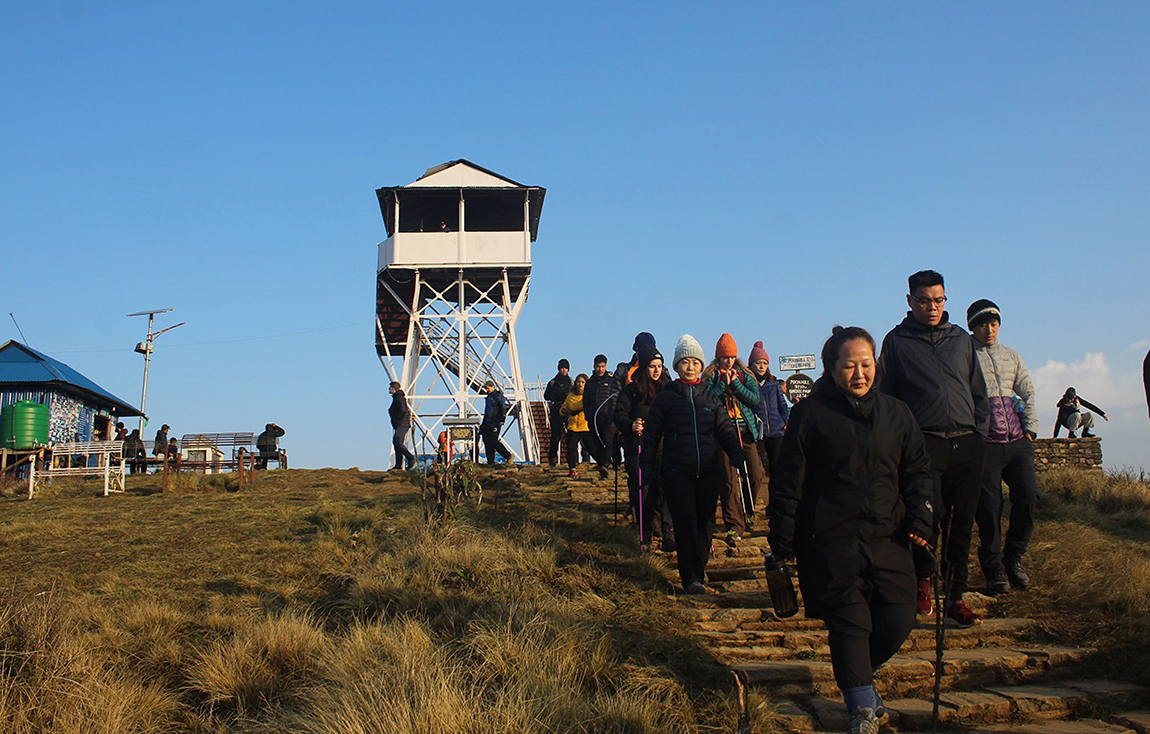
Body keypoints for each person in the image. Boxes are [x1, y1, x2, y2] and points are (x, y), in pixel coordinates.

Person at [770, 326, 934, 734]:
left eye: (866, 364)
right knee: (850, 623)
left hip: (889, 536)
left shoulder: (897, 414)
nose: (859, 374)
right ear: (831, 368)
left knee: (898, 618)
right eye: (849, 366)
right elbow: (789, 479)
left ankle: (859, 674)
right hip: (830, 540)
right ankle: (861, 711)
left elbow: (917, 473)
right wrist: (782, 534)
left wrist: (920, 518)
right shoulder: (811, 414)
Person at [876, 269, 989, 628]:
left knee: (964, 524)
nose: (932, 307)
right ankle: (923, 579)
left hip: (967, 443)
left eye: (939, 300)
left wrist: (980, 434)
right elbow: (888, 398)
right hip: (924, 445)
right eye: (925, 301)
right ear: (910, 301)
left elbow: (978, 391)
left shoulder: (961, 339)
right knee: (929, 518)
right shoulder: (896, 342)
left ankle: (956, 597)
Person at [641, 334, 745, 595]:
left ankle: (699, 568)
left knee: (706, 522)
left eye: (695, 362)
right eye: (685, 362)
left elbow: (725, 429)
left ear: (701, 366)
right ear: (676, 367)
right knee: (685, 522)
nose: (690, 367)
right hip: (677, 471)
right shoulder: (667, 398)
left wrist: (736, 453)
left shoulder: (711, 398)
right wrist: (647, 463)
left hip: (708, 470)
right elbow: (652, 432)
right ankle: (691, 577)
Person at [967, 300, 1040, 594]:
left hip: (1018, 441)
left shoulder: (1012, 355)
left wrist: (1031, 430)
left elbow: (1028, 391)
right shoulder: (965, 355)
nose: (990, 329)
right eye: (983, 324)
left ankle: (1014, 558)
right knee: (989, 509)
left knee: (1029, 497)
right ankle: (994, 569)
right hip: (985, 443)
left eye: (994, 323)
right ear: (973, 326)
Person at [702, 333, 765, 541]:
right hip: (722, 433)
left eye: (731, 357)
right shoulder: (710, 376)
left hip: (745, 432)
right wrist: (722, 384)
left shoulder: (745, 375)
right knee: (728, 480)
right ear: (718, 357)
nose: (728, 361)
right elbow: (708, 400)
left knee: (755, 474)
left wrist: (736, 385)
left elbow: (755, 399)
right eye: (724, 357)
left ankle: (748, 510)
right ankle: (734, 524)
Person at [614, 345, 674, 550]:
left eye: (659, 366)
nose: (656, 370)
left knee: (666, 488)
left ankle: (668, 530)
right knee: (644, 489)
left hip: (664, 446)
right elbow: (619, 414)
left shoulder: (668, 388)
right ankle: (645, 531)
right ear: (644, 367)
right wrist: (630, 424)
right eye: (652, 366)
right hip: (638, 445)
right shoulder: (631, 390)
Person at [748, 340, 789, 488]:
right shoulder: (749, 384)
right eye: (758, 363)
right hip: (757, 434)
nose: (761, 367)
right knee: (757, 471)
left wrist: (783, 422)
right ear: (751, 365)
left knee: (778, 470)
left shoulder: (774, 384)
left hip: (777, 432)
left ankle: (775, 503)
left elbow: (782, 405)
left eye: (764, 363)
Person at [583, 354, 618, 480]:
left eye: (602, 366)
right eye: (598, 366)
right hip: (593, 418)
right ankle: (602, 462)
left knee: (608, 441)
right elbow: (585, 401)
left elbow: (615, 398)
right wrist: (588, 416)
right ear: (594, 366)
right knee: (596, 444)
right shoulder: (589, 383)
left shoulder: (611, 381)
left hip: (608, 417)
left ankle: (605, 464)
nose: (600, 369)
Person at [561, 374, 596, 478]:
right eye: (578, 382)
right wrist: (562, 410)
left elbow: (582, 405)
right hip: (572, 425)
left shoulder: (589, 395)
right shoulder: (571, 395)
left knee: (591, 448)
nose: (580, 384)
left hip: (585, 425)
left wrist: (573, 408)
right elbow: (565, 406)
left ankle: (601, 463)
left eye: (582, 382)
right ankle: (572, 468)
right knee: (571, 448)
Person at [543, 359, 573, 468]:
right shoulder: (553, 382)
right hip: (556, 410)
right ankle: (552, 459)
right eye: (562, 368)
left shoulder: (571, 382)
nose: (564, 370)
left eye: (565, 368)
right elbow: (546, 396)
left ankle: (572, 459)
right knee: (555, 436)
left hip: (568, 410)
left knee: (571, 436)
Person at [480, 380, 513, 466]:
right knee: (487, 441)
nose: (486, 390)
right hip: (487, 422)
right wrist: (483, 424)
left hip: (495, 421)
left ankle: (508, 455)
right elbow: (487, 412)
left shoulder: (498, 395)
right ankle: (490, 461)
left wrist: (502, 419)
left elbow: (503, 408)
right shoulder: (488, 397)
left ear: (492, 387)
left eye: (487, 388)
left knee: (494, 440)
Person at [387, 382, 416, 470]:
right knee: (397, 443)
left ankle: (410, 458)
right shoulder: (397, 397)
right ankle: (398, 465)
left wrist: (397, 420)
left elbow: (403, 410)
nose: (389, 390)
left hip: (402, 424)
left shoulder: (399, 397)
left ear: (393, 389)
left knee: (397, 442)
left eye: (390, 388)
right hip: (401, 424)